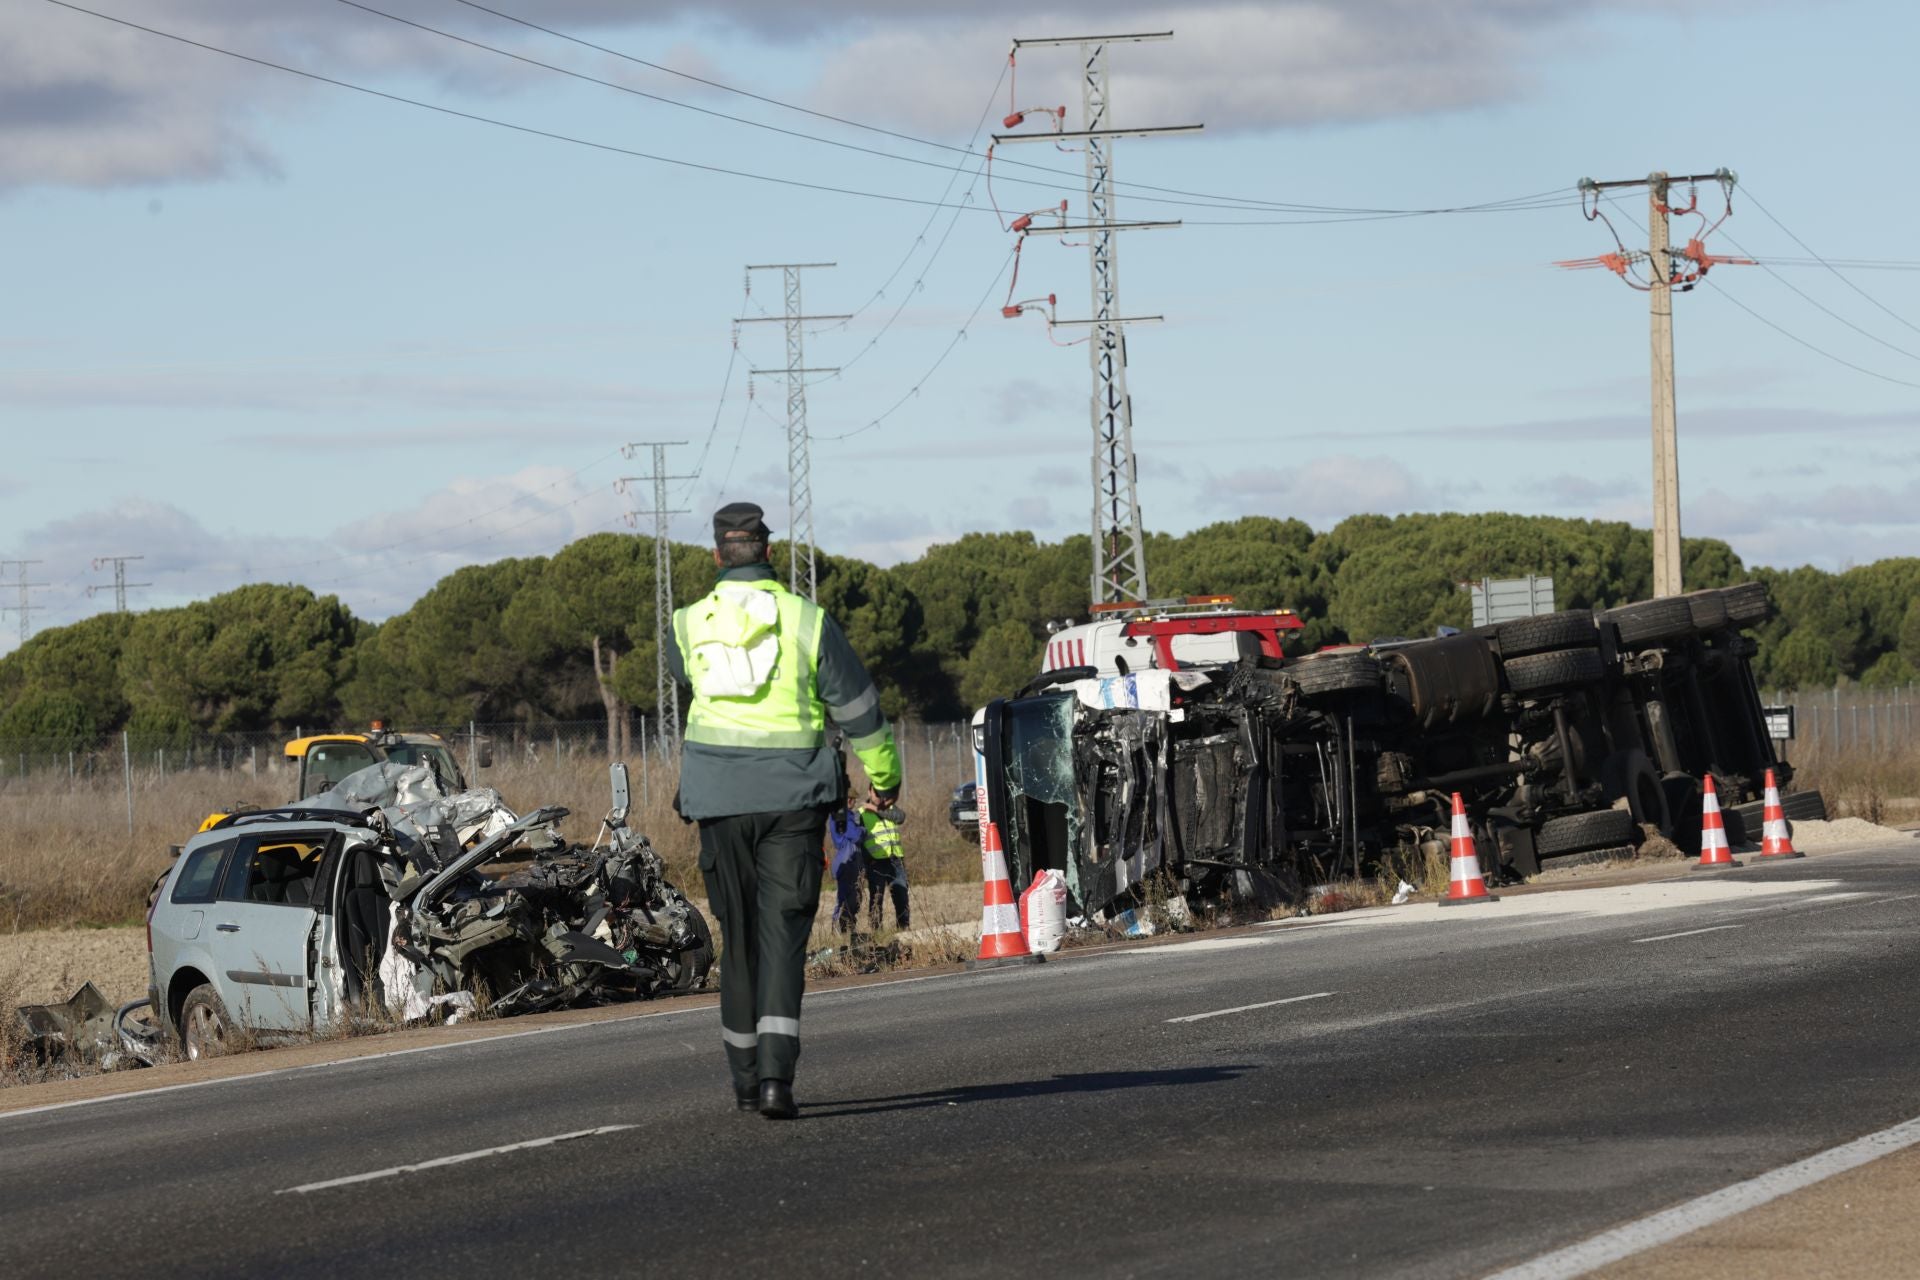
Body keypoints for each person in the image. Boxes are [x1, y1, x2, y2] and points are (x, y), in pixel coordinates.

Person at [666, 501, 901, 1120]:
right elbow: (858, 710)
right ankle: (776, 1081)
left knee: (738, 939)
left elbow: (688, 683)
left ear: (718, 554)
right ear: (768, 553)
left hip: (717, 801)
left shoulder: (686, 624)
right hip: (794, 803)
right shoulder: (807, 620)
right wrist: (886, 780)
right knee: (782, 937)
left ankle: (744, 1083)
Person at [859, 802, 909, 931]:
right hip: (876, 862)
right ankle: (876, 932)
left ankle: (903, 929)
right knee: (876, 898)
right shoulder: (861, 813)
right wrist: (867, 860)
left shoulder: (890, 808)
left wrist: (876, 809)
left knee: (902, 896)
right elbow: (858, 839)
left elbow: (900, 817)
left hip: (896, 859)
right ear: (870, 792)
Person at [826, 804, 865, 934]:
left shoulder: (845, 814)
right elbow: (856, 835)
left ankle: (848, 927)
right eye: (847, 798)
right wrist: (863, 829)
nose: (850, 801)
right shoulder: (842, 814)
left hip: (849, 858)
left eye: (852, 799)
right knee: (845, 896)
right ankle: (839, 927)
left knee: (854, 896)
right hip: (846, 858)